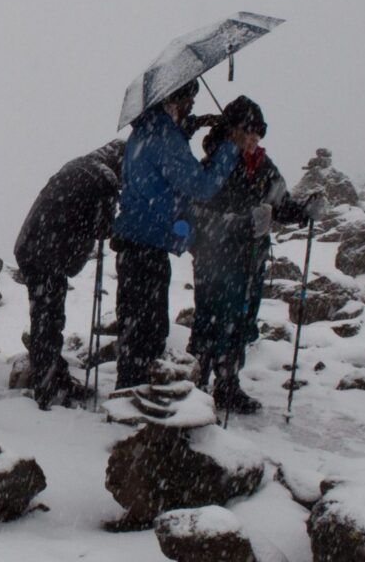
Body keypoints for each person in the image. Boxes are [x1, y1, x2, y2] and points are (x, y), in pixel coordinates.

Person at [189, 96, 324, 413]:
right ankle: (197, 383)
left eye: (257, 133)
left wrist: (305, 211)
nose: (252, 139)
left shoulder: (264, 167)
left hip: (251, 260)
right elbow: (199, 215)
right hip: (214, 259)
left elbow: (282, 204)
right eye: (246, 131)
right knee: (211, 320)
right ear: (231, 130)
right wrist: (241, 223)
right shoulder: (214, 166)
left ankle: (227, 384)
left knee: (240, 321)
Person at [111, 79, 248, 390]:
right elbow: (200, 186)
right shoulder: (163, 137)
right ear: (173, 99)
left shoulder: (145, 130)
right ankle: (136, 400)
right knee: (149, 330)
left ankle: (129, 390)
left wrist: (193, 126)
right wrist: (230, 147)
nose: (192, 105)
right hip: (149, 242)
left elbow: (161, 166)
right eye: (189, 99)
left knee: (135, 326)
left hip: (136, 240)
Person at [14, 139, 125, 408]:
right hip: (48, 253)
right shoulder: (106, 178)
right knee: (49, 319)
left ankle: (53, 376)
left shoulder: (79, 165)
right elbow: (103, 228)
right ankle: (48, 387)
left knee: (45, 316)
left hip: (33, 245)